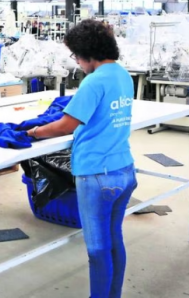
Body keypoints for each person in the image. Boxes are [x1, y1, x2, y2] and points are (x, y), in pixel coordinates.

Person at [26, 19, 136, 298]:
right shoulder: (122, 75)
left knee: (97, 250)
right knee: (114, 240)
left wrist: (35, 132)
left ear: (87, 52)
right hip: (124, 169)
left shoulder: (94, 81)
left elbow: (65, 125)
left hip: (97, 175)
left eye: (76, 55)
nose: (76, 61)